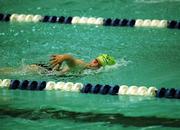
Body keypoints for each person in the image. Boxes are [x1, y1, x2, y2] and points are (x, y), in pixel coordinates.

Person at [34, 54, 116, 74]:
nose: (94, 63)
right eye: (96, 60)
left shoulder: (85, 70)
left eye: (99, 64)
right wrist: (63, 58)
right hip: (43, 71)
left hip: (51, 72)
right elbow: (71, 59)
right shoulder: (83, 65)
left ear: (100, 68)